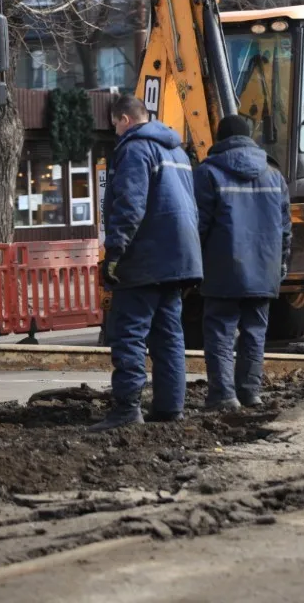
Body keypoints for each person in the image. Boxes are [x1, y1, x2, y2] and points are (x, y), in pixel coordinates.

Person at [93, 94, 203, 431]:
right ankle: (170, 407)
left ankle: (127, 409)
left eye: (115, 125)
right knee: (168, 335)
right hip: (179, 258)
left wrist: (115, 252)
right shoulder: (177, 151)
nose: (115, 132)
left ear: (124, 119)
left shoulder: (135, 149)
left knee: (129, 333)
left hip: (146, 257)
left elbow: (130, 203)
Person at [195, 114, 291, 411]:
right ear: (251, 137)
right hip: (264, 269)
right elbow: (285, 227)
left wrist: (195, 265)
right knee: (255, 332)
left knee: (220, 333)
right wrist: (281, 264)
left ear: (220, 139)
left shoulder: (208, 172)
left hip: (223, 269)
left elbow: (199, 225)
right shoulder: (274, 175)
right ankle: (250, 393)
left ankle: (224, 396)